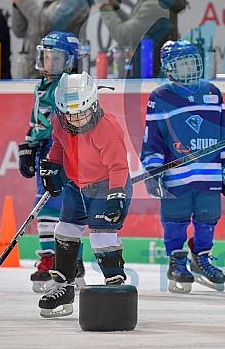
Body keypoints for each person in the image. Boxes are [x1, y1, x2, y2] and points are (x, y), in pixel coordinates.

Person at [140, 40, 225, 293]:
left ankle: (202, 257)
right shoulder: (160, 98)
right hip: (176, 175)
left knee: (208, 217)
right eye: (183, 63)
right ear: (169, 69)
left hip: (209, 172)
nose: (189, 67)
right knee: (175, 219)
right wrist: (153, 167)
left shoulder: (213, 92)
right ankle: (177, 260)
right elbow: (153, 139)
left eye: (192, 62)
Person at [38, 71, 132, 318]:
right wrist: (54, 166)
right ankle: (64, 286)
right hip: (76, 186)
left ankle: (115, 284)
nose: (77, 119)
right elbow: (58, 146)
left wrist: (116, 194)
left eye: (82, 112)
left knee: (101, 237)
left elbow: (119, 167)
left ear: (94, 104)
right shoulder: (60, 122)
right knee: (64, 231)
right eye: (70, 114)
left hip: (106, 186)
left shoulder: (107, 128)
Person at [17, 31, 86, 294]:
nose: (49, 62)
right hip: (45, 151)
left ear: (70, 61)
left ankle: (63, 259)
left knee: (60, 205)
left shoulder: (72, 86)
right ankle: (52, 257)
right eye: (47, 56)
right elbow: (37, 122)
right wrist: (28, 143)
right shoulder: (42, 86)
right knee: (44, 203)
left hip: (65, 153)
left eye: (56, 58)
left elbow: (67, 125)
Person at [10, 0, 93, 79]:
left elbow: (47, 24)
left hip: (60, 75)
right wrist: (17, 3)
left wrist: (23, 0)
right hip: (32, 73)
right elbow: (19, 31)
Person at [98, 0, 175, 78]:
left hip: (152, 77)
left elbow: (126, 36)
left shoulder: (156, 4)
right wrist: (113, 6)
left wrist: (104, 7)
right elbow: (133, 25)